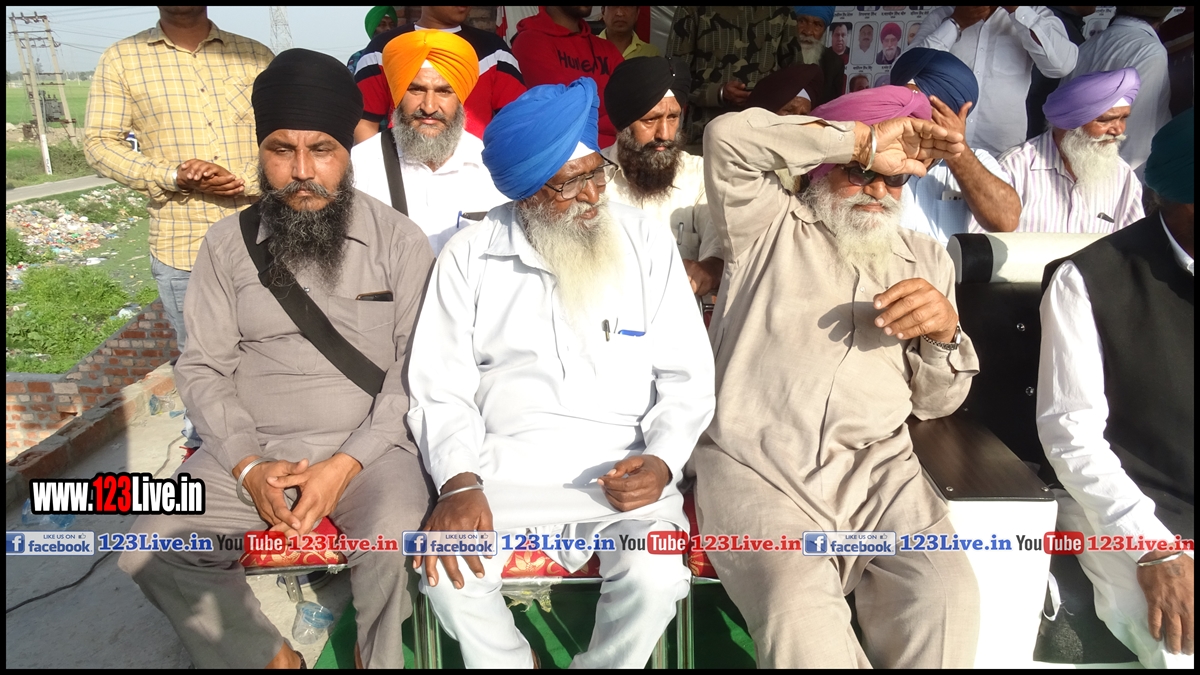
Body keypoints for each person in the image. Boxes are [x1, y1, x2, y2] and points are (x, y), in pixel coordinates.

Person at [117, 49, 435, 669]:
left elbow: (414, 369)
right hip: (250, 447)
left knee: (396, 538)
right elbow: (203, 366)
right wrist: (247, 467)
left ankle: (377, 658)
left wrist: (344, 465)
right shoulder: (225, 244)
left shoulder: (400, 241)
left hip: (372, 452)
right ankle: (268, 658)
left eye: (322, 150)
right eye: (281, 150)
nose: (302, 171)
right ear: (260, 153)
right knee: (149, 544)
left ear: (348, 153)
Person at [406, 77, 715, 668]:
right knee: (448, 576)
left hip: (626, 471)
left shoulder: (644, 240)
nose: (593, 196)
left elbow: (688, 376)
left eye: (596, 174)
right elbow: (439, 387)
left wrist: (662, 460)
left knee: (656, 576)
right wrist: (459, 483)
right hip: (502, 474)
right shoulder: (468, 256)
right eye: (569, 184)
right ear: (525, 195)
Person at [693, 89, 980, 668]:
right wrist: (866, 141)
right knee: (799, 619)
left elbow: (936, 402)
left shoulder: (928, 260)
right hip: (760, 469)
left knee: (946, 598)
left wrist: (944, 334)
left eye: (894, 180)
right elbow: (726, 138)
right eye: (861, 173)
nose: (879, 189)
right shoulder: (765, 224)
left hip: (881, 476)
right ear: (823, 170)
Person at [1036, 108, 1195, 669]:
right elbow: (1071, 435)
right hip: (1134, 510)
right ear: (1176, 199)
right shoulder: (1087, 280)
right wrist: (1155, 549)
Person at [84, 5, 273, 450]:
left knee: (274, 348)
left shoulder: (254, 55)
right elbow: (98, 143)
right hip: (182, 242)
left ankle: (274, 445)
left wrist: (244, 180)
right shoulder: (123, 58)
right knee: (202, 361)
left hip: (263, 236)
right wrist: (171, 175)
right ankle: (214, 453)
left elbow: (283, 132)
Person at [351, 29, 507, 253]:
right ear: (398, 95)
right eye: (416, 90)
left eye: (444, 91)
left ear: (460, 99)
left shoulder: (488, 166)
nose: (429, 107)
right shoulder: (361, 164)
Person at [602, 56, 722, 298]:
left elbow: (719, 236)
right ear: (624, 124)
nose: (665, 134)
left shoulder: (698, 173)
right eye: (650, 120)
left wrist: (710, 266)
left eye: (673, 117)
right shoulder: (593, 179)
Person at [887, 47, 1020, 244]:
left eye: (923, 108)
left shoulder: (976, 159)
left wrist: (956, 151)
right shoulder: (874, 151)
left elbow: (1006, 221)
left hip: (945, 265)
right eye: (903, 103)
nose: (910, 115)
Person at [986, 68, 1144, 234]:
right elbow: (981, 240)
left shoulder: (1122, 176)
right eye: (1105, 121)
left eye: (1123, 118)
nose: (1118, 130)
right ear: (1069, 123)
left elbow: (1133, 242)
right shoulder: (1013, 168)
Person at [912, 6, 1078, 155]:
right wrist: (955, 23)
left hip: (1001, 154)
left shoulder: (1036, 14)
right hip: (939, 147)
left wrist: (1019, 11)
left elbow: (1061, 66)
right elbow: (907, 70)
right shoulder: (943, 14)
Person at [353, 5, 526, 144]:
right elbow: (364, 122)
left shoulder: (494, 50)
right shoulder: (383, 49)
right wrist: (379, 170)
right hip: (399, 170)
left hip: (475, 170)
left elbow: (517, 122)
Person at [667, 6, 799, 148]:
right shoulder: (691, 9)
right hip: (706, 136)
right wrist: (718, 93)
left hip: (765, 136)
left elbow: (797, 75)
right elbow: (673, 77)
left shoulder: (782, 10)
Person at [1067, 6, 1174, 176]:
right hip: (1113, 174)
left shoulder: (1088, 45)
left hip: (1075, 163)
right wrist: (1126, 185)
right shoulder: (1150, 51)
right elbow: (1137, 131)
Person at [511, 6, 625, 147]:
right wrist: (618, 123)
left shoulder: (608, 49)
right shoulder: (530, 42)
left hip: (620, 153)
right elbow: (563, 115)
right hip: (567, 155)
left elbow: (634, 108)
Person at [1025, 6, 1090, 139]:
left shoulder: (1036, 14)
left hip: (1039, 129)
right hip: (1038, 128)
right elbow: (1059, 69)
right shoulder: (1051, 18)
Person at [790, 6, 845, 106]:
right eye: (802, 21)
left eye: (817, 24)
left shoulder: (834, 64)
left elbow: (831, 109)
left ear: (824, 30)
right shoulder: (775, 55)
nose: (808, 32)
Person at [346, 5, 398, 74]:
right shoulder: (358, 57)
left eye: (392, 25)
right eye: (382, 24)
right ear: (372, 29)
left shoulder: (399, 55)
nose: (388, 28)